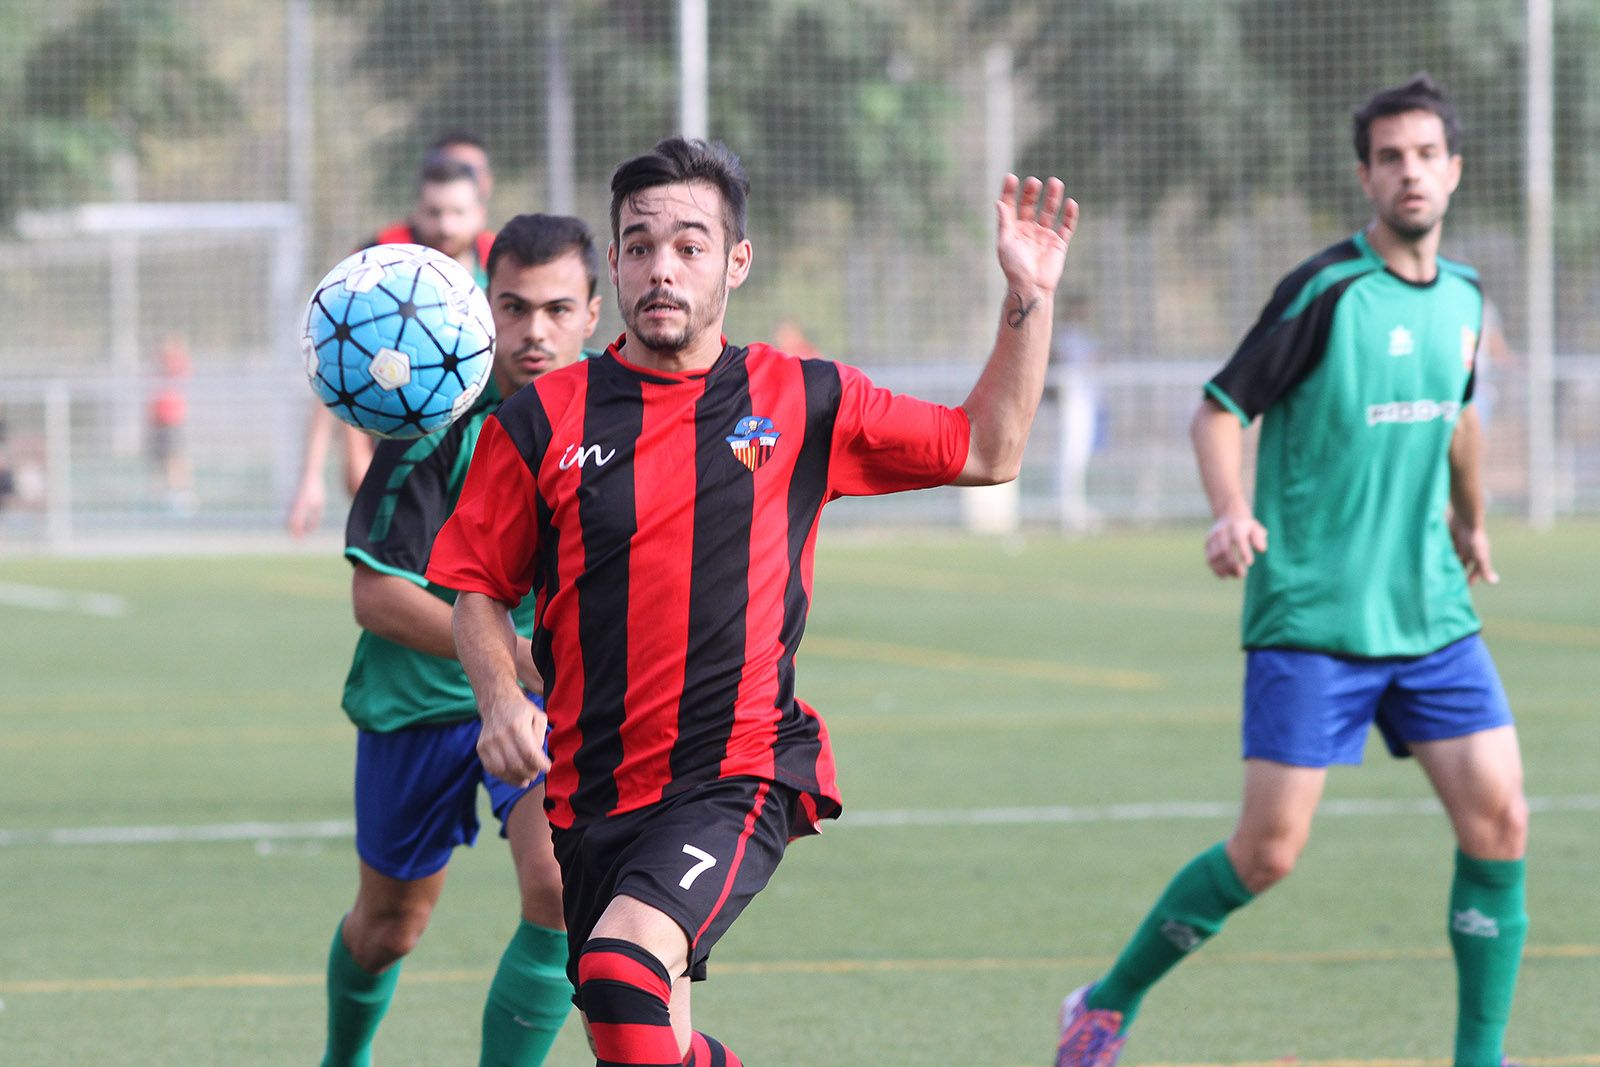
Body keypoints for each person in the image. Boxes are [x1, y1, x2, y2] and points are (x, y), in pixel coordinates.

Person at [425, 137, 1077, 1066]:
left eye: (690, 246)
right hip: (590, 790)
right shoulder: (539, 420)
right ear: (613, 264)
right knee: (642, 1034)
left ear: (736, 262)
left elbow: (988, 448)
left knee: (620, 969)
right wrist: (497, 697)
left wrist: (1029, 297)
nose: (662, 269)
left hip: (736, 772)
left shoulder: (804, 399)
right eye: (640, 246)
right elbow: (478, 586)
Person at [1055, 75, 1527, 1067]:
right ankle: (1105, 1000)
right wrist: (1231, 511)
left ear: (1454, 169)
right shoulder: (1324, 290)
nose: (1409, 171)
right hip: (1312, 613)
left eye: (1425, 153)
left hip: (1431, 611)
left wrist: (1471, 520)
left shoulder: (1467, 295)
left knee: (1499, 817)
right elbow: (1220, 406)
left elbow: (1462, 410)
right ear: (1366, 174)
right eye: (1389, 156)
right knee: (1267, 851)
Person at [320, 213, 605, 1067]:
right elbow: (376, 595)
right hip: (421, 698)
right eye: (514, 308)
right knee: (388, 928)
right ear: (485, 306)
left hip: (545, 699)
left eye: (559, 310)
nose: (535, 333)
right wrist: (510, 660)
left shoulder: (614, 417)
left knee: (558, 885)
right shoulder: (435, 407)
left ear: (595, 314)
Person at [287, 148, 497, 538]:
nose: (446, 225)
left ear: (479, 214)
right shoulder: (377, 268)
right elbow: (338, 366)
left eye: (457, 212)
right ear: (417, 211)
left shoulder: (501, 267)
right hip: (396, 451)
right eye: (434, 212)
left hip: (480, 454)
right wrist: (315, 475)